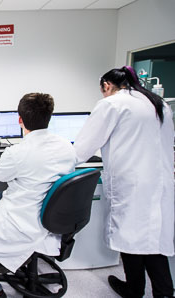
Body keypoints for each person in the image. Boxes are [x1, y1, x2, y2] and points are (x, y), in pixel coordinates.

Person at [0, 93, 76, 298]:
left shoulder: (18, 152)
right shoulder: (67, 146)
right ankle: (14, 255)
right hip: (52, 215)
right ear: (49, 117)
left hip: (26, 219)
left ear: (20, 120)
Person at [73, 66, 174, 298]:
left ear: (106, 85)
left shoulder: (112, 104)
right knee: (153, 243)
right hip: (160, 184)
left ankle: (137, 289)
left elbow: (82, 148)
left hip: (133, 185)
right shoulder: (159, 103)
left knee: (133, 240)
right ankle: (159, 291)